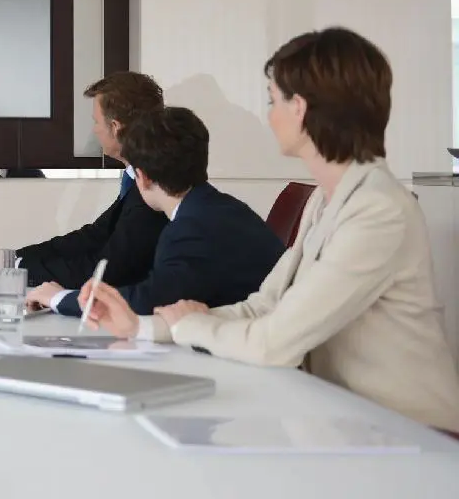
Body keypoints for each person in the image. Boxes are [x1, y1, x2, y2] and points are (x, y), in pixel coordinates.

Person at [78, 28, 459, 433]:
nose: (268, 114)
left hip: (414, 439)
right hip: (350, 424)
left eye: (272, 100)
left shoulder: (379, 212)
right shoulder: (326, 201)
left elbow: (273, 341)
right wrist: (147, 327)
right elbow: (263, 307)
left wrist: (188, 324)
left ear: (301, 108)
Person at [25, 107, 283, 316]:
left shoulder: (189, 228)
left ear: (142, 177)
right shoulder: (221, 208)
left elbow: (150, 301)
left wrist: (58, 298)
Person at [0, 72, 168, 286]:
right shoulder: (135, 179)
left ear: (115, 127)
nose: (94, 130)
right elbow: (91, 238)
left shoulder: (152, 188)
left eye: (96, 122)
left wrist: (12, 268)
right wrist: (8, 259)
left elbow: (101, 269)